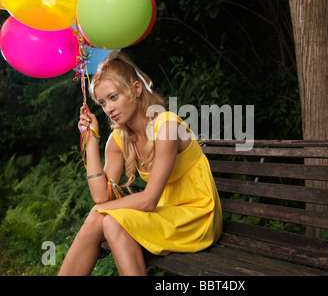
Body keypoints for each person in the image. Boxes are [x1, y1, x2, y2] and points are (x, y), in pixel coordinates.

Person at [58, 51, 223, 276]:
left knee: (104, 217)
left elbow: (148, 201)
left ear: (136, 89)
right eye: (103, 102)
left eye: (113, 97)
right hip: (165, 214)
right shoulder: (119, 138)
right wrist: (91, 141)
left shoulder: (166, 127)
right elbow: (101, 196)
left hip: (196, 217)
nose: (108, 109)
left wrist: (100, 210)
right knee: (108, 221)